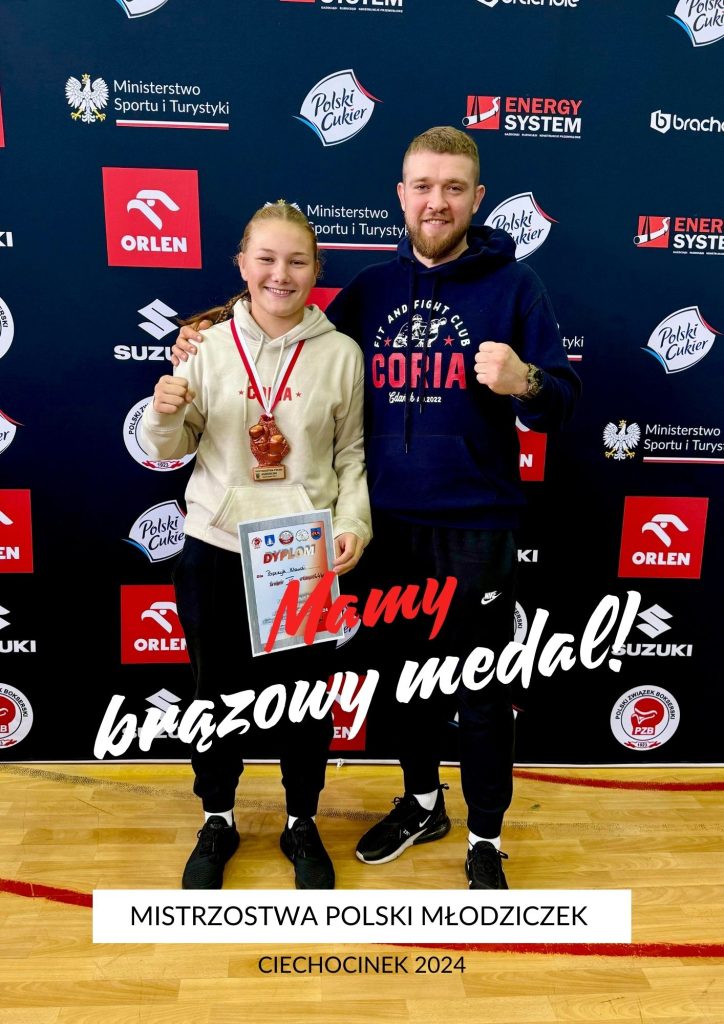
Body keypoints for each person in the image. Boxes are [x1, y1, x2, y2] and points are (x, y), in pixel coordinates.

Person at [172, 128, 581, 889]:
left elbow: (559, 401)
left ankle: (486, 837)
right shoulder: (371, 289)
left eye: (453, 187)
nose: (437, 202)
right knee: (405, 680)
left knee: (483, 690)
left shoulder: (515, 287)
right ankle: (422, 803)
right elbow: (288, 323)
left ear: (477, 199)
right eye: (423, 186)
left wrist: (524, 380)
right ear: (401, 195)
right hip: (386, 525)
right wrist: (208, 328)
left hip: (475, 525)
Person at [141, 200, 371, 891]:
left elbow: (352, 455)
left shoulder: (341, 354)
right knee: (214, 696)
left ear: (316, 270)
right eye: (266, 258)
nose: (280, 273)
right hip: (215, 545)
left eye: (297, 261)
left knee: (303, 699)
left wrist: (353, 524)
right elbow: (171, 447)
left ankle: (302, 820)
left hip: (301, 549)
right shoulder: (205, 347)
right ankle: (218, 818)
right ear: (241, 264)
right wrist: (162, 413)